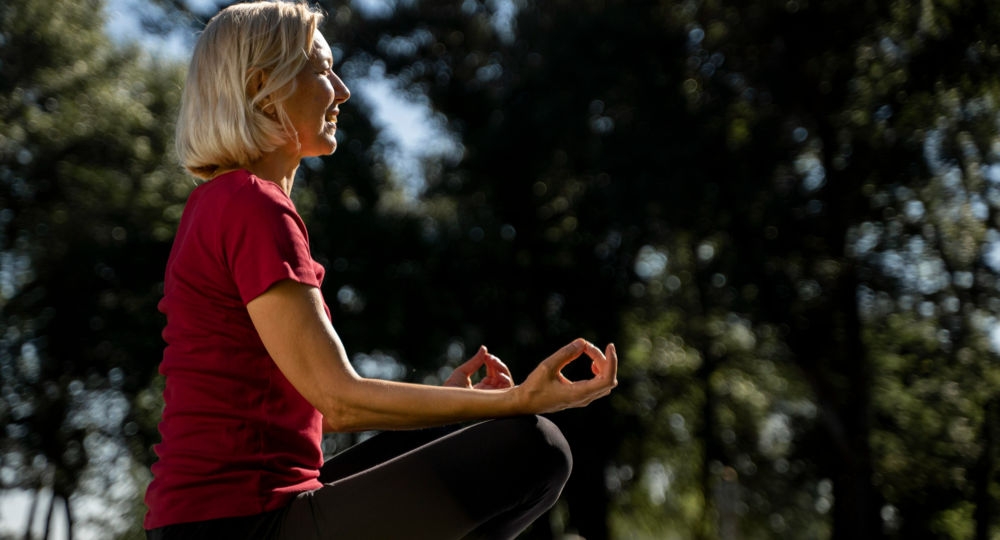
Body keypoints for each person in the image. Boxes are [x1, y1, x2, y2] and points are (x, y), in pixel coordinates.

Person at [142, 1, 618, 539]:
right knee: (535, 446)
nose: (342, 91)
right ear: (262, 89)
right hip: (238, 525)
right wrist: (519, 397)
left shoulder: (221, 202)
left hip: (230, 516)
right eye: (323, 70)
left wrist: (465, 405)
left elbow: (311, 402)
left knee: (483, 426)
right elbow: (338, 399)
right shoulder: (253, 206)